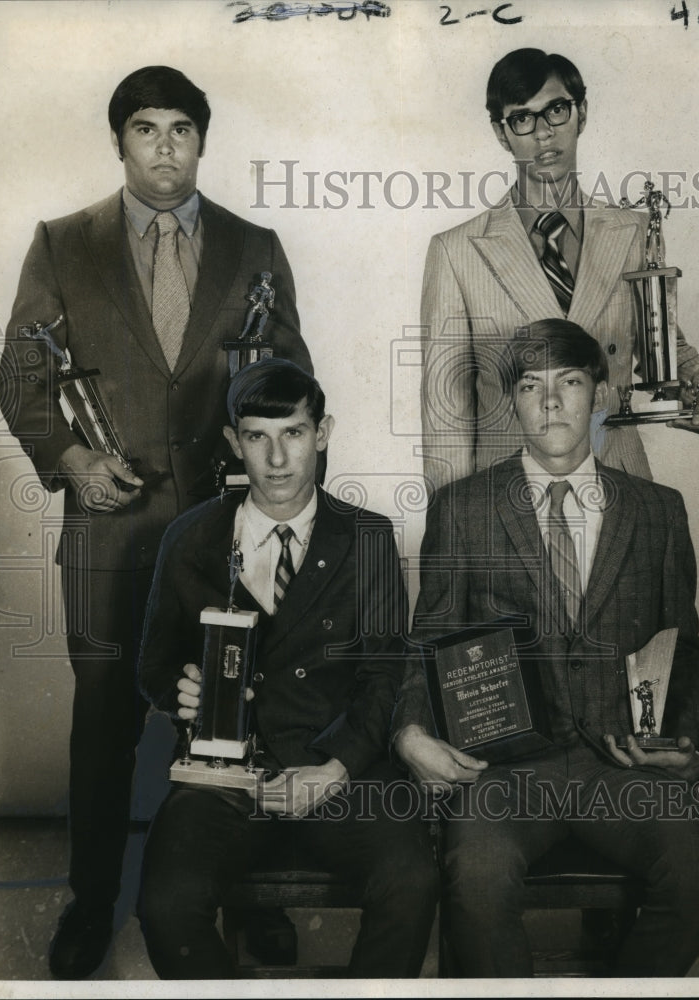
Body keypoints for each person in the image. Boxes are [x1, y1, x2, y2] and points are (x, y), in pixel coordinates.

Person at [0, 65, 312, 979]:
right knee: (103, 722)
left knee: (232, 709)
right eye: (146, 129)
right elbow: (21, 376)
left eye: (182, 129)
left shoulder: (256, 245)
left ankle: (247, 900)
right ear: (120, 142)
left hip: (229, 527)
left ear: (202, 141)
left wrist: (270, 480)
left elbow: (290, 377)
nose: (165, 146)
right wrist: (72, 461)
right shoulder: (62, 244)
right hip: (109, 528)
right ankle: (92, 903)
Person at [394, 319, 699, 977]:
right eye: (531, 385)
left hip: (621, 765)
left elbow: (681, 648)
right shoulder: (462, 509)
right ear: (511, 401)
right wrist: (411, 732)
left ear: (600, 394)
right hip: (509, 772)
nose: (551, 402)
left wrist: (685, 743)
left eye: (570, 382)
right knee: (478, 880)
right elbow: (429, 642)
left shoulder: (658, 509)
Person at [136, 358, 438, 979]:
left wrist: (334, 769)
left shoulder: (368, 539)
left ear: (322, 434)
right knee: (165, 905)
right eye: (256, 437)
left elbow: (385, 677)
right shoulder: (190, 538)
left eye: (293, 434)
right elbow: (155, 663)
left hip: (340, 771)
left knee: (411, 882)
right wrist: (181, 691)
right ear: (232, 441)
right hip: (222, 780)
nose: (276, 459)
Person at [419, 47, 699, 490]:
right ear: (501, 133)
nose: (544, 133)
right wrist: (455, 528)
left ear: (581, 114)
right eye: (523, 119)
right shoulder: (456, 252)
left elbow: (660, 344)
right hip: (508, 497)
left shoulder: (632, 231)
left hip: (619, 482)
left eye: (557, 110)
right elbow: (445, 413)